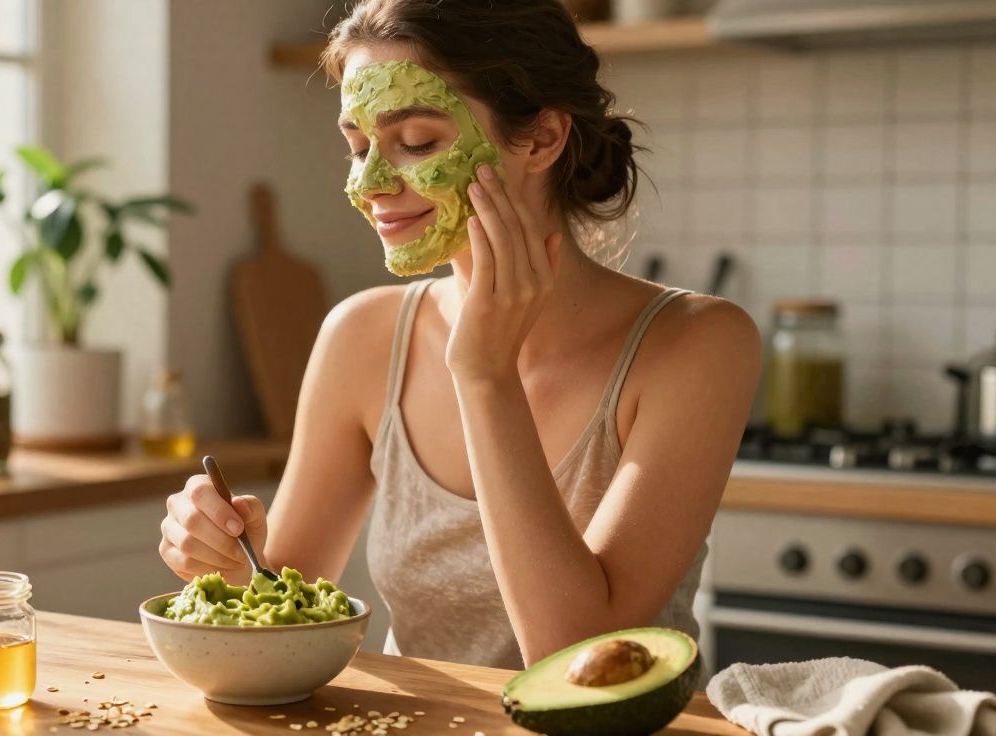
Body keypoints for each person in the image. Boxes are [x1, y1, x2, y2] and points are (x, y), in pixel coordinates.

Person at [159, 0, 760, 670]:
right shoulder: (361, 337)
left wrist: (485, 374)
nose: (370, 184)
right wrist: (230, 559)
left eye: (417, 143)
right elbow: (286, 618)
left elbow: (580, 664)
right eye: (357, 147)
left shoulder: (698, 345)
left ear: (543, 138)